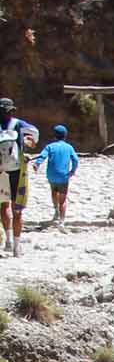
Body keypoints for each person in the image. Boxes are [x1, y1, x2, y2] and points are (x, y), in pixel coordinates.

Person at [0, 98, 40, 256]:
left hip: (1, 171)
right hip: (18, 171)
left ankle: (8, 241)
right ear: (11, 111)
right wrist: (31, 142)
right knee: (18, 210)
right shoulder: (19, 124)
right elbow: (35, 133)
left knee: (3, 207)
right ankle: (17, 247)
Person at [35, 124, 80, 227]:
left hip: (51, 175)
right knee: (63, 199)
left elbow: (42, 156)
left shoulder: (50, 146)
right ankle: (62, 221)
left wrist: (37, 164)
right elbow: (75, 159)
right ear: (65, 136)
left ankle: (56, 211)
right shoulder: (69, 147)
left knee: (54, 192)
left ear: (54, 136)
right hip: (63, 176)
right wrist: (72, 171)